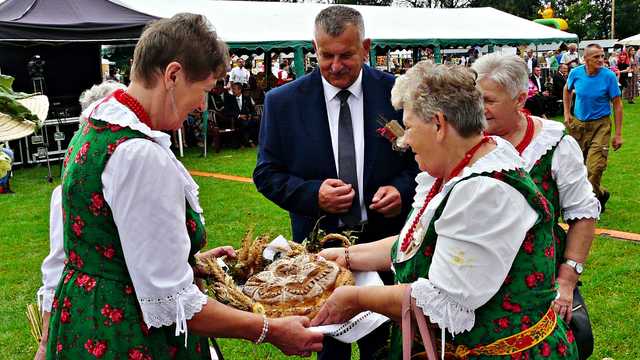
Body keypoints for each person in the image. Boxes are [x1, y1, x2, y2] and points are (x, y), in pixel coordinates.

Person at [35, 13, 323, 360]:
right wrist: (269, 329)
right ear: (172, 75)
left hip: (85, 320)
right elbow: (175, 304)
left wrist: (189, 259)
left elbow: (107, 240)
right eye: (203, 91)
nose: (202, 106)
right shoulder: (139, 155)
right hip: (128, 337)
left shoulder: (97, 125)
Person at [312, 61, 578, 360]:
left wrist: (357, 297)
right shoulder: (459, 169)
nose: (404, 139)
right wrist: (347, 256)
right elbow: (419, 240)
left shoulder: (486, 191)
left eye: (409, 127)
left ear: (439, 124)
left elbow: (442, 303)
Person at [253, 5, 419, 359]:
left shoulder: (397, 96)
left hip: (385, 249)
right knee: (330, 352)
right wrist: (314, 195)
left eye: (346, 54)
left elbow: (422, 163)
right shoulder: (282, 102)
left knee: (389, 350)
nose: (335, 65)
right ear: (314, 47)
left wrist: (401, 191)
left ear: (366, 47)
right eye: (326, 55)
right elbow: (266, 173)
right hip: (318, 261)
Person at [473, 53, 600, 359]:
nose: (479, 108)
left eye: (488, 100)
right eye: (475, 98)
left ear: (519, 99)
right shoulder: (466, 138)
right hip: (474, 271)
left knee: (564, 341)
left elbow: (583, 214)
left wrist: (567, 281)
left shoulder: (555, 144)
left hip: (538, 273)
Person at [563, 43, 623, 212]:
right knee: (578, 167)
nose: (601, 59)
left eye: (602, 56)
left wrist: (618, 134)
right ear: (586, 59)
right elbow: (566, 90)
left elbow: (617, 105)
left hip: (601, 125)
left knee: (595, 167)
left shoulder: (608, 76)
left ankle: (589, 205)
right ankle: (601, 194)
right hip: (578, 126)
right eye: (596, 56)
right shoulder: (576, 73)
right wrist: (567, 114)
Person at [223, 81, 259, 146]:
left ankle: (252, 140)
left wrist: (252, 115)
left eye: (234, 89)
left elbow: (252, 110)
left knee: (256, 121)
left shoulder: (247, 98)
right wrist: (239, 116)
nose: (232, 91)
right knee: (243, 123)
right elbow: (227, 111)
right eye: (232, 89)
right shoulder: (229, 99)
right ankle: (248, 141)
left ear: (239, 90)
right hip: (235, 119)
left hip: (247, 118)